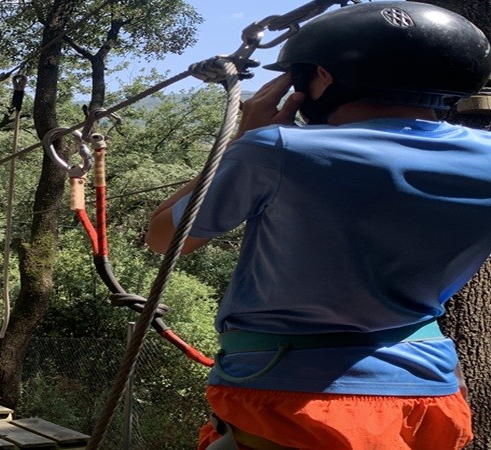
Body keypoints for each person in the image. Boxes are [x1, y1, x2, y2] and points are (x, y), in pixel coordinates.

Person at [145, 2, 491, 449]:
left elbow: (164, 237)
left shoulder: (276, 149)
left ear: (323, 77)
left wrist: (239, 143)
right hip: (428, 392)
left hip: (295, 400)